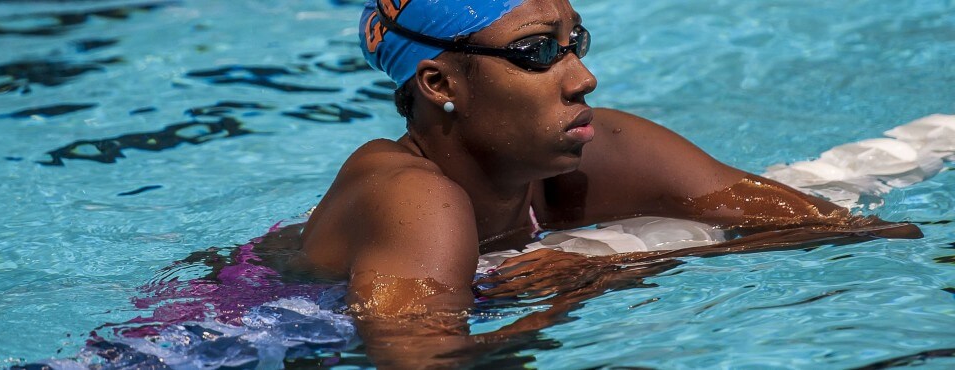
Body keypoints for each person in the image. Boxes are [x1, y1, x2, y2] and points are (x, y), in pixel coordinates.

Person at [278, 0, 921, 366]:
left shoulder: (590, 149)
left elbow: (856, 230)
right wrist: (570, 299)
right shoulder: (416, 197)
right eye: (536, 51)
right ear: (440, 85)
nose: (583, 77)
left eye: (574, 40)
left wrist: (614, 268)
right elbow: (427, 365)